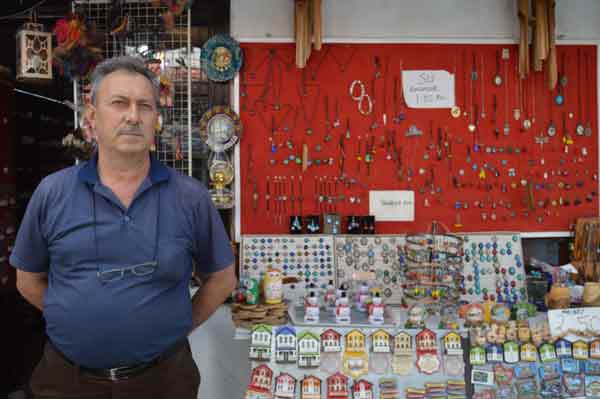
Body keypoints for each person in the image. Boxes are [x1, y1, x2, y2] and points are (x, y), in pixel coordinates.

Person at [10, 55, 237, 399]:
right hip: (67, 382)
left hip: (164, 382)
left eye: (144, 106)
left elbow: (222, 279)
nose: (133, 116)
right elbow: (27, 281)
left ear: (156, 121)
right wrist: (74, 319)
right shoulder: (53, 192)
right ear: (92, 117)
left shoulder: (190, 196)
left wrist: (173, 328)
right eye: (119, 103)